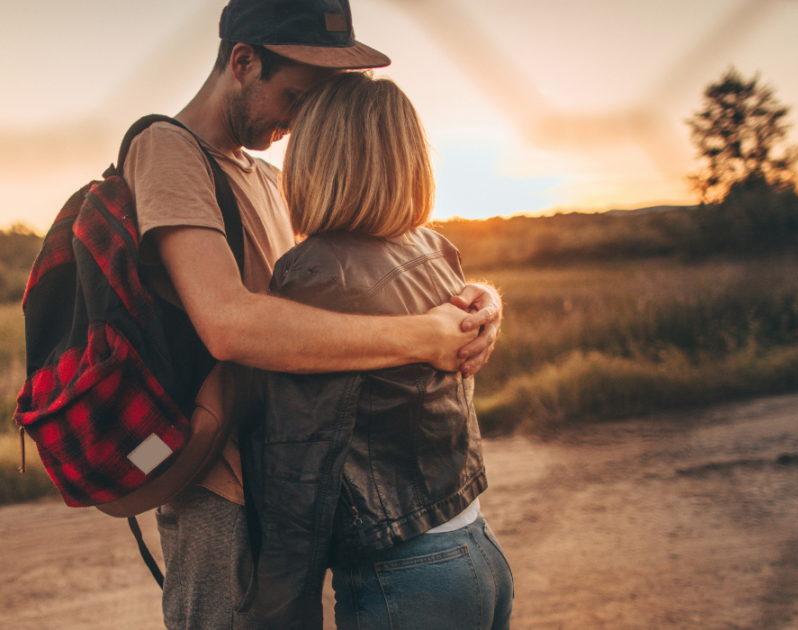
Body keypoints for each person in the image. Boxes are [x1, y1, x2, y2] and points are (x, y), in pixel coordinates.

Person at [121, 1, 502, 628]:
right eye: (296, 98)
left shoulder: (267, 178)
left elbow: (348, 287)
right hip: (225, 486)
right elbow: (228, 323)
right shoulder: (168, 150)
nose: (301, 124)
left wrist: (478, 303)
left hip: (296, 480)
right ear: (243, 62)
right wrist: (423, 336)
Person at [244, 72, 513, 630]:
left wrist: (281, 612)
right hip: (477, 549)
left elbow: (300, 466)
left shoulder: (314, 275)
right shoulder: (434, 249)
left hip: (405, 577)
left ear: (317, 160)